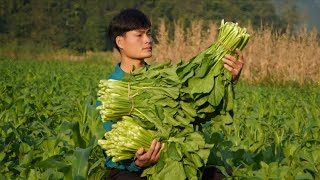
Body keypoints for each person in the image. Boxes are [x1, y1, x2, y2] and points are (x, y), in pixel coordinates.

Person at [98, 8, 245, 180]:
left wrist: (229, 79)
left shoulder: (164, 76)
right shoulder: (113, 91)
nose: (148, 40)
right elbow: (112, 149)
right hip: (130, 169)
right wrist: (137, 163)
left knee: (218, 175)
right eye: (139, 35)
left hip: (173, 158)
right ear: (120, 41)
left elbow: (199, 109)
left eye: (149, 34)